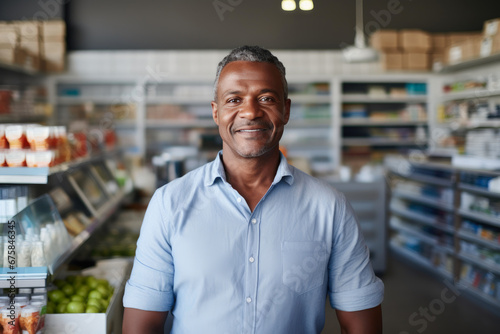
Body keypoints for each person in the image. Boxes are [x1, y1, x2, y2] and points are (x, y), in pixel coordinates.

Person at [122, 45, 384, 334]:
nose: (250, 111)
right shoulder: (169, 204)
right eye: (234, 99)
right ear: (216, 112)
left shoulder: (330, 207)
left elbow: (362, 323)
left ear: (286, 110)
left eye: (266, 98)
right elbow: (142, 323)